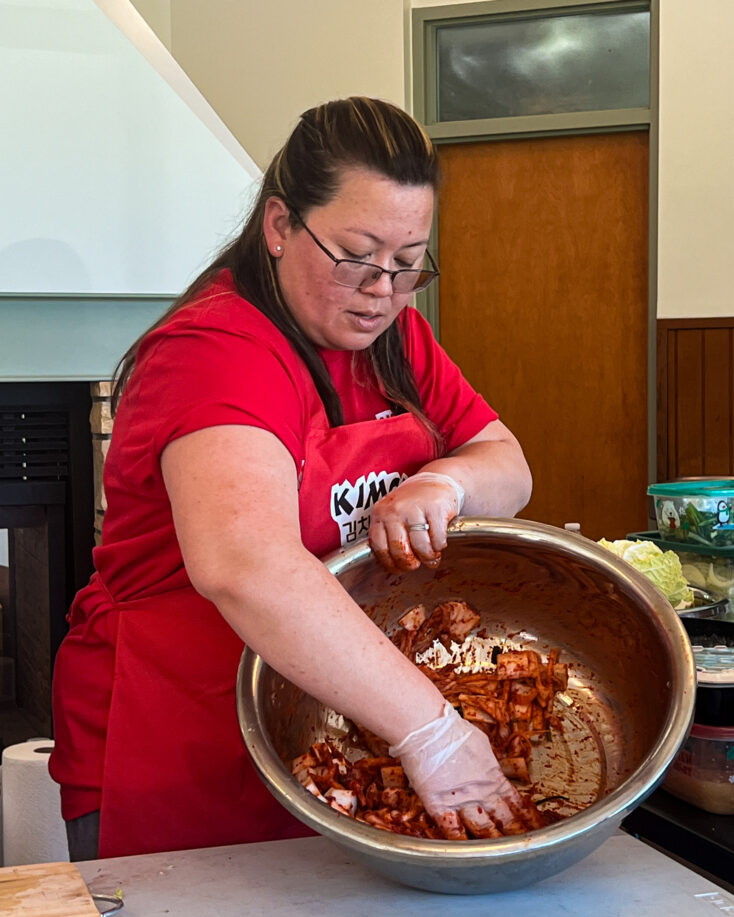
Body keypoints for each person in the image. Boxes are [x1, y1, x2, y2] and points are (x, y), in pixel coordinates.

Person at [50, 96, 533, 861]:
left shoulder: (394, 336)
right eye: (357, 254)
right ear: (279, 227)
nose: (383, 287)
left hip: (329, 723)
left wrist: (447, 484)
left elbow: (506, 462)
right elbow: (247, 567)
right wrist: (431, 730)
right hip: (181, 742)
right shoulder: (216, 350)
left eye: (409, 263)